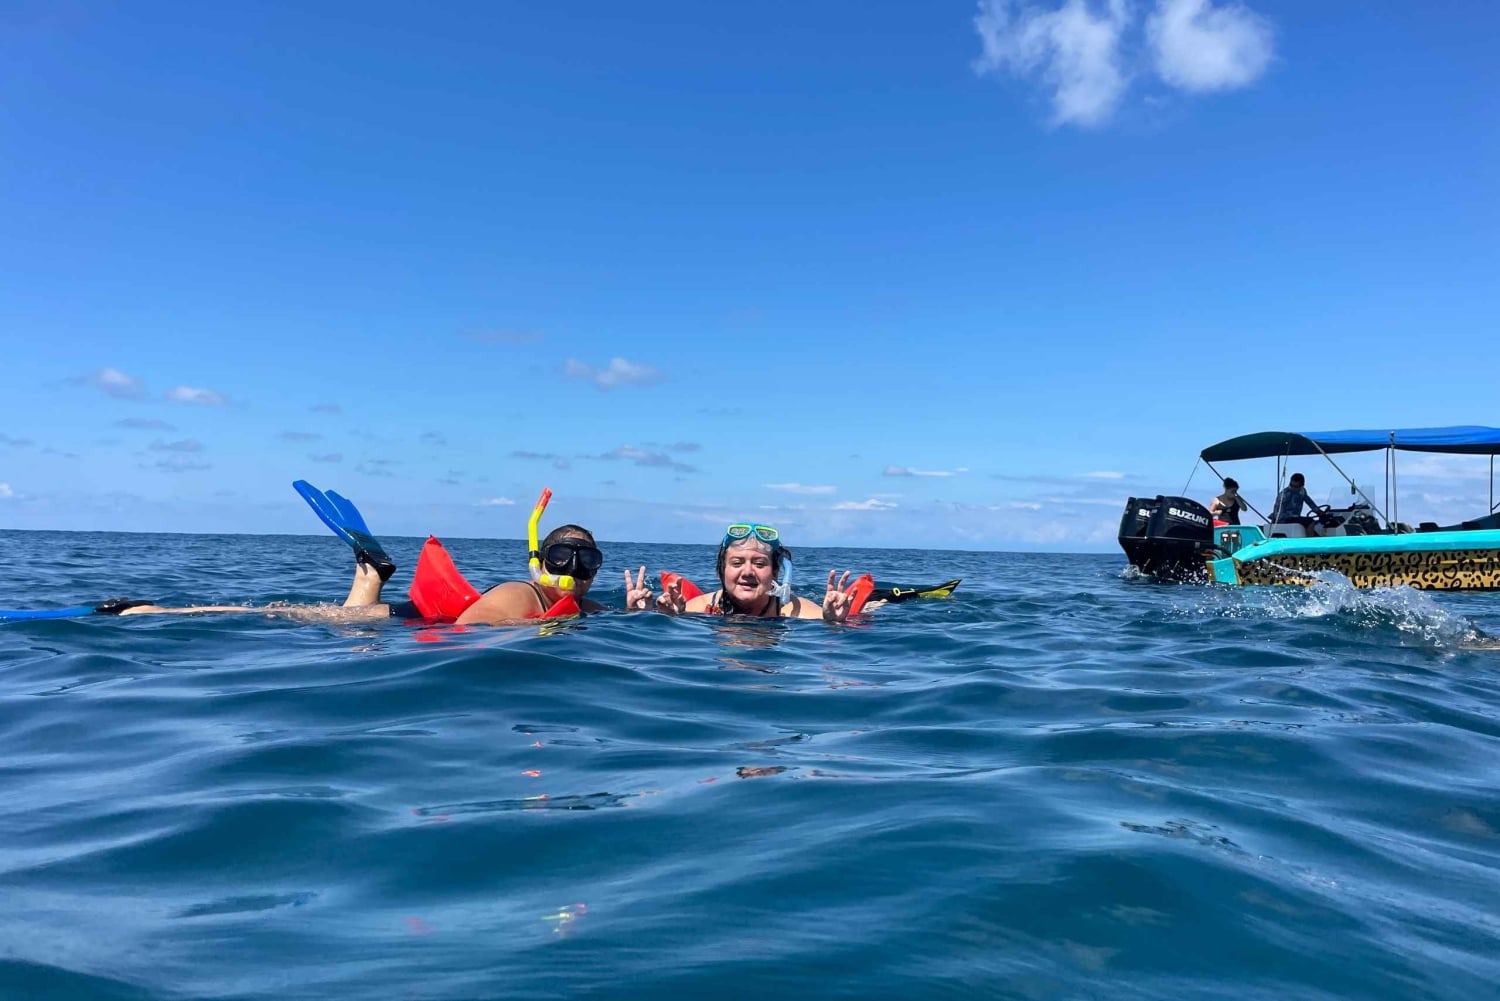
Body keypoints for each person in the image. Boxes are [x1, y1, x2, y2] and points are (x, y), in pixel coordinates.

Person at [116, 487, 612, 625]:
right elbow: (472, 628)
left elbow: (633, 615)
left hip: (401, 622)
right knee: (288, 615)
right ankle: (159, 611)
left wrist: (656, 609)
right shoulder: (519, 594)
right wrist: (536, 626)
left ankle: (372, 572)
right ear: (540, 560)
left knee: (340, 618)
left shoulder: (579, 610)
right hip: (403, 621)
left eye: (587, 563)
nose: (575, 573)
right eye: (564, 558)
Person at [623, 523, 858, 622]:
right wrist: (643, 615)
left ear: (775, 571)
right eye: (736, 563)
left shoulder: (798, 611)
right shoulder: (695, 608)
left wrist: (834, 624)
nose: (747, 572)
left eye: (759, 563)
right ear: (722, 570)